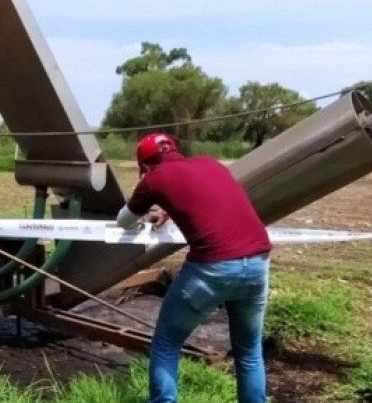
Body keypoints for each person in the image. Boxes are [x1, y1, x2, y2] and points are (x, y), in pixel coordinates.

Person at [116, 133, 272, 403]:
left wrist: (147, 192)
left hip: (212, 268)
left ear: (144, 166)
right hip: (257, 263)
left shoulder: (154, 178)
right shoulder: (210, 163)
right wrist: (168, 210)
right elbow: (207, 200)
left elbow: (123, 221)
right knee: (248, 352)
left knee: (166, 344)